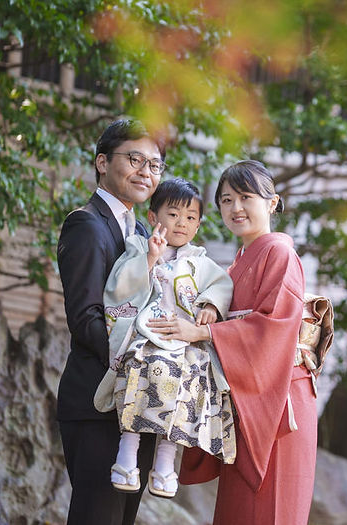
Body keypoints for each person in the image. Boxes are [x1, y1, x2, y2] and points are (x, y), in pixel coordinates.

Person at [149, 159, 317, 525]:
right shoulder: (237, 263)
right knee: (238, 510)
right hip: (246, 394)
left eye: (246, 197)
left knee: (270, 508)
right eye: (226, 200)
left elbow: (273, 328)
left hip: (279, 398)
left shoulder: (280, 253)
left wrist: (204, 332)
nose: (235, 208)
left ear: (272, 203)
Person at [94, 178, 236, 499]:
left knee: (193, 377)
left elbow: (221, 285)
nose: (181, 223)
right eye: (173, 215)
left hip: (185, 342)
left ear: (198, 225)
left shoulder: (201, 261)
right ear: (153, 217)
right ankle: (127, 452)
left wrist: (211, 305)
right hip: (147, 333)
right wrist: (149, 259)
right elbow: (119, 288)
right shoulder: (138, 247)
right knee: (142, 363)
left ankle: (166, 460)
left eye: (190, 217)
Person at [56, 117, 165, 525]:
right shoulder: (85, 223)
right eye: (134, 159)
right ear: (102, 162)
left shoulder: (142, 231)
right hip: (97, 403)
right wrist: (138, 365)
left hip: (137, 408)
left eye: (155, 165)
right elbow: (86, 318)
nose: (146, 172)